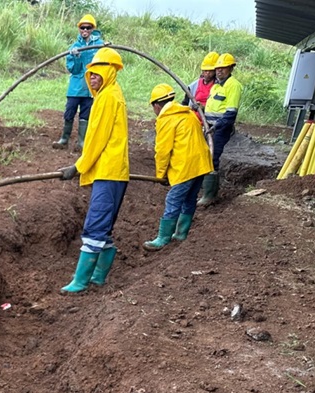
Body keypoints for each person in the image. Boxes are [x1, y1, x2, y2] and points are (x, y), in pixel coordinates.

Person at [57, 47, 129, 293]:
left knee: (95, 226)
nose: (93, 77)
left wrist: (77, 167)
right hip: (112, 171)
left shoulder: (108, 98)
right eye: (91, 73)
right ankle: (98, 277)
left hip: (109, 172)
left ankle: (81, 280)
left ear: (109, 72)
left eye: (98, 72)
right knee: (104, 228)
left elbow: (96, 139)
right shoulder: (110, 94)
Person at [143, 84, 213, 250]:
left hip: (186, 166)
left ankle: (163, 238)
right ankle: (181, 233)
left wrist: (161, 174)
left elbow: (162, 151)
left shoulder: (167, 119)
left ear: (156, 105)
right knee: (189, 199)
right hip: (201, 164)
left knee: (173, 199)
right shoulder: (186, 112)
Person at [53, 14, 105, 150]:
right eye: (82, 27)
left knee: (85, 114)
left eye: (88, 27)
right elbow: (73, 70)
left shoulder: (100, 46)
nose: (85, 30)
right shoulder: (75, 46)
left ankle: (81, 142)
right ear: (79, 29)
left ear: (92, 29)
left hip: (90, 88)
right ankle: (64, 140)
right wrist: (75, 57)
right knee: (69, 111)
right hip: (75, 87)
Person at [199, 52, 243, 206]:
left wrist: (216, 126)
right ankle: (204, 189)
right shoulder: (216, 85)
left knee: (212, 157)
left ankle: (210, 195)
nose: (219, 71)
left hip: (220, 128)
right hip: (209, 127)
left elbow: (230, 113)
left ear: (231, 68)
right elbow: (214, 107)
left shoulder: (233, 86)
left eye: (223, 68)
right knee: (205, 155)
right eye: (217, 68)